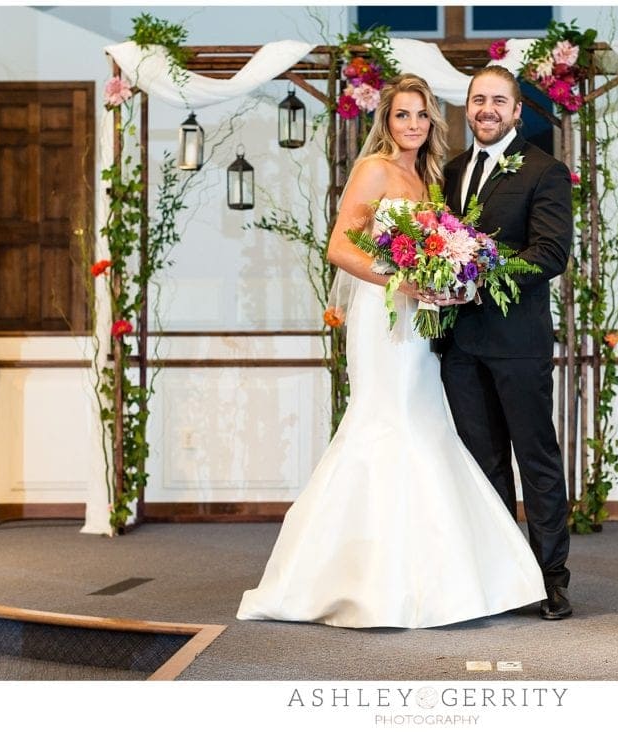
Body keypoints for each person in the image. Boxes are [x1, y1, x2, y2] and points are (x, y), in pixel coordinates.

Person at [237, 74, 545, 629]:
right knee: (384, 424)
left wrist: (443, 280)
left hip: (424, 322)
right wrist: (399, 285)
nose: (413, 125)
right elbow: (338, 247)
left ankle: (435, 577)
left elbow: (440, 251)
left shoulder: (430, 180)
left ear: (433, 122)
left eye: (422, 115)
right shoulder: (373, 168)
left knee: (428, 426)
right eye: (403, 115)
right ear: (387, 121)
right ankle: (359, 579)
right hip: (383, 319)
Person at [437, 66, 574, 620]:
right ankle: (501, 577)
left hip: (518, 342)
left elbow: (550, 254)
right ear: (467, 109)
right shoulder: (450, 172)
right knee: (483, 463)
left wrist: (476, 273)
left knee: (535, 459)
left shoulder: (546, 170)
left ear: (518, 110)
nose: (486, 109)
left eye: (498, 100)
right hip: (460, 348)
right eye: (477, 100)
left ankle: (552, 580)